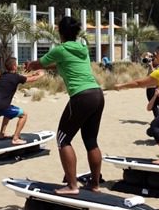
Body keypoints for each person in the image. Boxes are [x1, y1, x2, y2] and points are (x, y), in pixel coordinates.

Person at [25, 16, 105, 195]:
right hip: (97, 94)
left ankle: (72, 185)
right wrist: (48, 66)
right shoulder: (82, 48)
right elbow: (61, 64)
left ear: (60, 32)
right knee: (91, 140)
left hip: (81, 97)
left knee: (63, 139)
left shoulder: (60, 49)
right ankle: (95, 184)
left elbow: (40, 63)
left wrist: (31, 65)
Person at [0, 56, 45, 143]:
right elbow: (32, 79)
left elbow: (21, 76)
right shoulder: (16, 77)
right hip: (2, 106)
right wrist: (41, 74)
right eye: (16, 64)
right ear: (14, 66)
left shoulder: (3, 75)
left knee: (8, 113)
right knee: (24, 115)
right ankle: (15, 138)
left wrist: (32, 74)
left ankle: (2, 134)